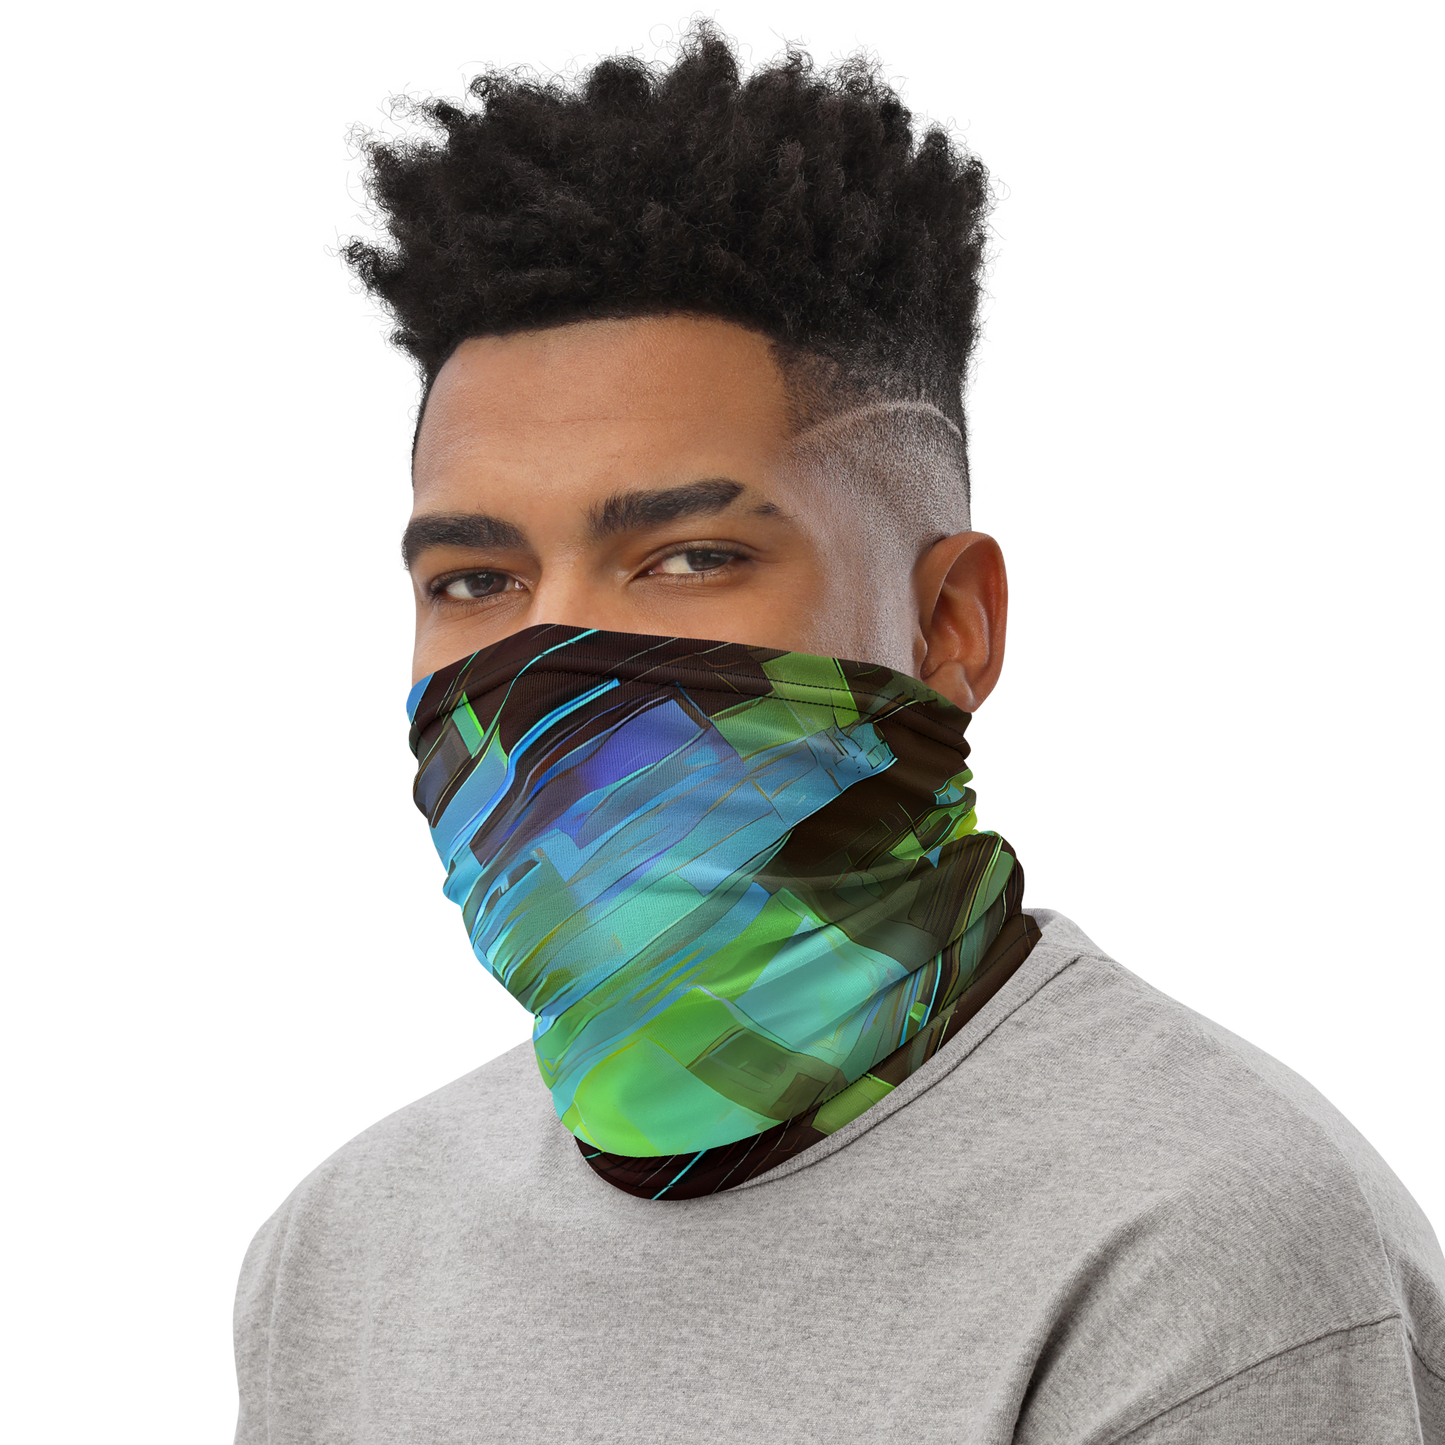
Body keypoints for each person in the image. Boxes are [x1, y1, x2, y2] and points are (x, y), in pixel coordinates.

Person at [230, 6, 1443, 1440]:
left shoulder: (1197, 1242)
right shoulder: (341, 1248)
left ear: (952, 627)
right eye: (474, 580)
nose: (549, 669)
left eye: (690, 557)